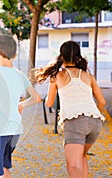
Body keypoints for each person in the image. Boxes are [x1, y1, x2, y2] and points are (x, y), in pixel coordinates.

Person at [35, 40, 106, 178]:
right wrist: (90, 115)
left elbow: (49, 103)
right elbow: (102, 102)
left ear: (61, 57)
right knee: (82, 157)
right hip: (95, 123)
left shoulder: (57, 75)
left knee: (72, 165)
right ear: (78, 57)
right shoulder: (88, 75)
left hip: (75, 121)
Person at [0, 34, 40, 178]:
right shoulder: (19, 74)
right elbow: (36, 97)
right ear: (15, 55)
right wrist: (22, 104)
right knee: (4, 167)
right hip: (14, 130)